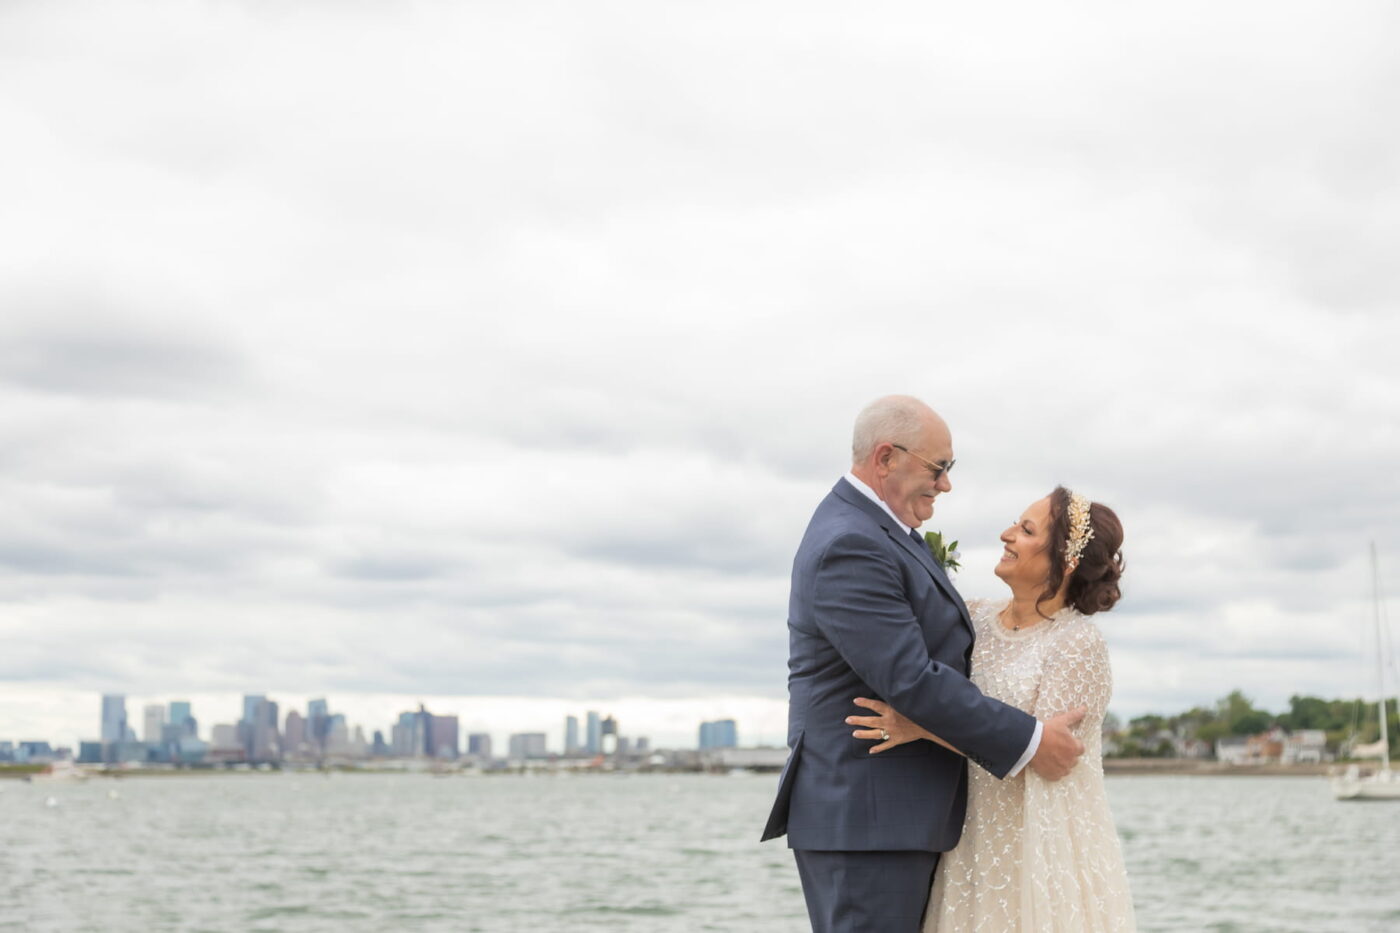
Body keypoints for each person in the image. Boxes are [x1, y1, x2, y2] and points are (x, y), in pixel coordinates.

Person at [761, 395, 1088, 933]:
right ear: (886, 457)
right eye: (940, 468)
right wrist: (1030, 740)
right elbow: (909, 677)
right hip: (868, 822)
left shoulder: (877, 531)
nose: (946, 484)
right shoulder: (851, 543)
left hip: (892, 819)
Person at [847, 487, 1136, 931]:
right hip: (969, 845)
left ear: (1066, 560)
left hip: (1037, 849)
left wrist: (919, 727)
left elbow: (1047, 758)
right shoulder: (974, 617)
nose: (1006, 534)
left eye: (1025, 529)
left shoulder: (1077, 643)